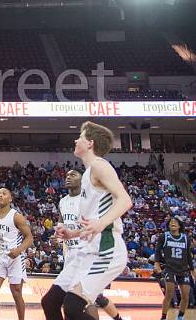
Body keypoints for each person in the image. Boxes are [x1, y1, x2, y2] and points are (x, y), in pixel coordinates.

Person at [55, 121, 133, 320]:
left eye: (80, 137)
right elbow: (92, 224)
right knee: (71, 307)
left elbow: (125, 200)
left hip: (108, 246)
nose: (75, 140)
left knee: (72, 306)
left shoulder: (99, 165)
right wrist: (72, 233)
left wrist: (101, 223)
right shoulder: (89, 174)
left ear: (89, 143)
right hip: (94, 246)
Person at [42, 170, 124, 320]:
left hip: (88, 252)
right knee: (63, 304)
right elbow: (62, 226)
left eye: (73, 175)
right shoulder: (63, 201)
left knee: (85, 302)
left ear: (83, 180)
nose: (68, 177)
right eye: (67, 175)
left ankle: (117, 318)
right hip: (71, 254)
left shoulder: (89, 199)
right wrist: (57, 237)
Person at [0, 188, 33, 320]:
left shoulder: (16, 216)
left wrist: (19, 250)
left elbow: (29, 238)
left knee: (16, 292)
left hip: (15, 258)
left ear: (10, 199)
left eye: (4, 193)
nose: (0, 195)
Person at [156, 217, 193, 320]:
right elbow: (157, 251)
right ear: (168, 225)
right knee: (169, 293)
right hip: (170, 268)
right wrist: (157, 263)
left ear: (179, 225)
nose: (173, 223)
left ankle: (180, 316)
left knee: (186, 295)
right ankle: (163, 317)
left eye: (175, 222)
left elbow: (188, 255)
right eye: (171, 222)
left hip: (183, 268)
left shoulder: (186, 238)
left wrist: (193, 268)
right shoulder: (164, 236)